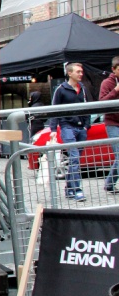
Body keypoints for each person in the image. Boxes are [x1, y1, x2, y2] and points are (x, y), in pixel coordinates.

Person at [50, 62, 90, 201]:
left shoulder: (83, 89)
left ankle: (69, 188)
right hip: (67, 126)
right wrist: (53, 129)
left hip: (81, 127)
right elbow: (54, 109)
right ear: (70, 73)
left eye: (81, 71)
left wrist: (86, 125)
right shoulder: (61, 89)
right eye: (78, 71)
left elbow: (88, 107)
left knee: (75, 160)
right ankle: (77, 189)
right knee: (74, 158)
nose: (81, 74)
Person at [99, 56, 119, 193]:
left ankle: (109, 184)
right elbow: (102, 103)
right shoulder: (107, 83)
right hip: (112, 123)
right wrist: (116, 90)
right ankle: (109, 183)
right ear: (113, 69)